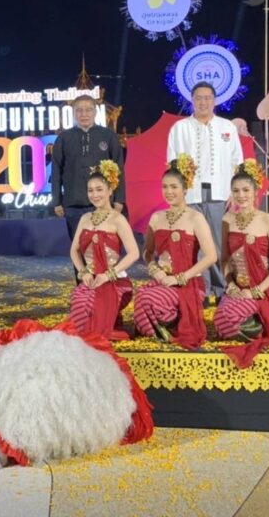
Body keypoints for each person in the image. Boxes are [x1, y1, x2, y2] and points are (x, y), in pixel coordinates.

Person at [167, 81, 244, 305]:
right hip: (190, 196)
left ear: (214, 100)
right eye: (199, 98)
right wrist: (177, 194)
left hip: (220, 194)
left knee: (219, 245)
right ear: (192, 100)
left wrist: (234, 192)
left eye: (207, 97)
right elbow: (172, 163)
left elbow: (237, 161)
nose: (203, 102)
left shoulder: (227, 127)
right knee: (194, 245)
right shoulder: (180, 128)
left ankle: (221, 289)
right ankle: (200, 290)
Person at [133, 156, 217, 349]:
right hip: (163, 280)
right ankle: (166, 327)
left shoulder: (195, 218)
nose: (169, 192)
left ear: (185, 189)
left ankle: (174, 324)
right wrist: (155, 270)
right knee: (143, 299)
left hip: (188, 283)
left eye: (174, 187)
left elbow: (211, 256)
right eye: (165, 187)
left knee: (149, 299)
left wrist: (180, 278)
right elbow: (147, 252)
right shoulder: (157, 217)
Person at [213, 162, 269, 368]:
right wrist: (230, 285)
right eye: (236, 191)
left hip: (260, 291)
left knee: (231, 317)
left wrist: (256, 291)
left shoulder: (268, 220)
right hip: (236, 289)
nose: (241, 195)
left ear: (256, 192)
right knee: (220, 319)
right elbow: (225, 259)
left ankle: (259, 321)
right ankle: (251, 323)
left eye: (246, 190)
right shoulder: (227, 219)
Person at [67, 162, 140, 341]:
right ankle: (106, 324)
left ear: (110, 190)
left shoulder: (118, 219)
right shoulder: (85, 218)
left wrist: (108, 275)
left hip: (114, 282)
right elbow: (74, 251)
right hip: (91, 279)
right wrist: (83, 272)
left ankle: (107, 324)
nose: (95, 195)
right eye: (90, 190)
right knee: (79, 302)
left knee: (91, 306)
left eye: (99, 189)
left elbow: (134, 253)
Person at [51, 95, 125, 240]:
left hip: (103, 203)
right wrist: (57, 202)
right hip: (73, 205)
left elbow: (119, 168)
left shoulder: (108, 136)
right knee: (78, 247)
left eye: (88, 110)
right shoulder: (64, 138)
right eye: (79, 110)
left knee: (103, 247)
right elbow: (56, 171)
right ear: (74, 113)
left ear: (95, 112)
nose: (84, 114)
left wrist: (119, 199)